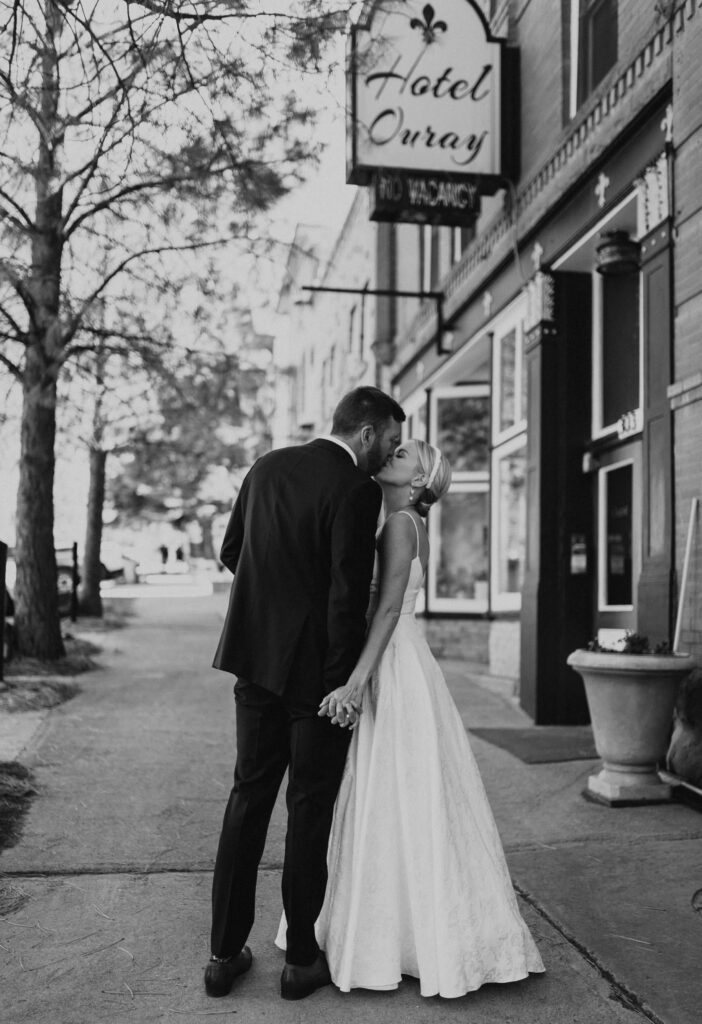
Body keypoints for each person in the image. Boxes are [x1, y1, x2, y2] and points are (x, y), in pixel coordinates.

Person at [277, 439, 545, 996]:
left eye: (404, 456)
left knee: (395, 791)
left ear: (420, 480)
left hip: (393, 663)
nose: (392, 456)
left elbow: (390, 608)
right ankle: (395, 926)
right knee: (394, 794)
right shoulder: (401, 519)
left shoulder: (400, 523)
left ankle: (402, 935)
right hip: (398, 657)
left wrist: (354, 680)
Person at [205, 386, 405, 1001]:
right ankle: (299, 965)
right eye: (391, 442)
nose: (390, 455)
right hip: (317, 681)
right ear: (366, 434)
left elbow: (231, 551)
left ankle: (222, 956)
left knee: (247, 799)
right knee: (308, 811)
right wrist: (343, 685)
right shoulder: (356, 489)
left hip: (256, 666)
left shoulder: (265, 467)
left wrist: (275, 610)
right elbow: (348, 596)